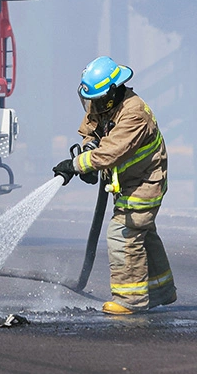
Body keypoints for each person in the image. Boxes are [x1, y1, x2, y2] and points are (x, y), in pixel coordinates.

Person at [53, 56, 176, 315]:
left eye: (97, 100)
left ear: (112, 92)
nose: (92, 106)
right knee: (143, 232)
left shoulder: (134, 114)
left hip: (145, 183)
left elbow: (111, 152)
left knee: (124, 232)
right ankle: (160, 290)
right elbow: (91, 129)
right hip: (127, 181)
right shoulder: (103, 104)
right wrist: (88, 149)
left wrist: (77, 165)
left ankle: (129, 300)